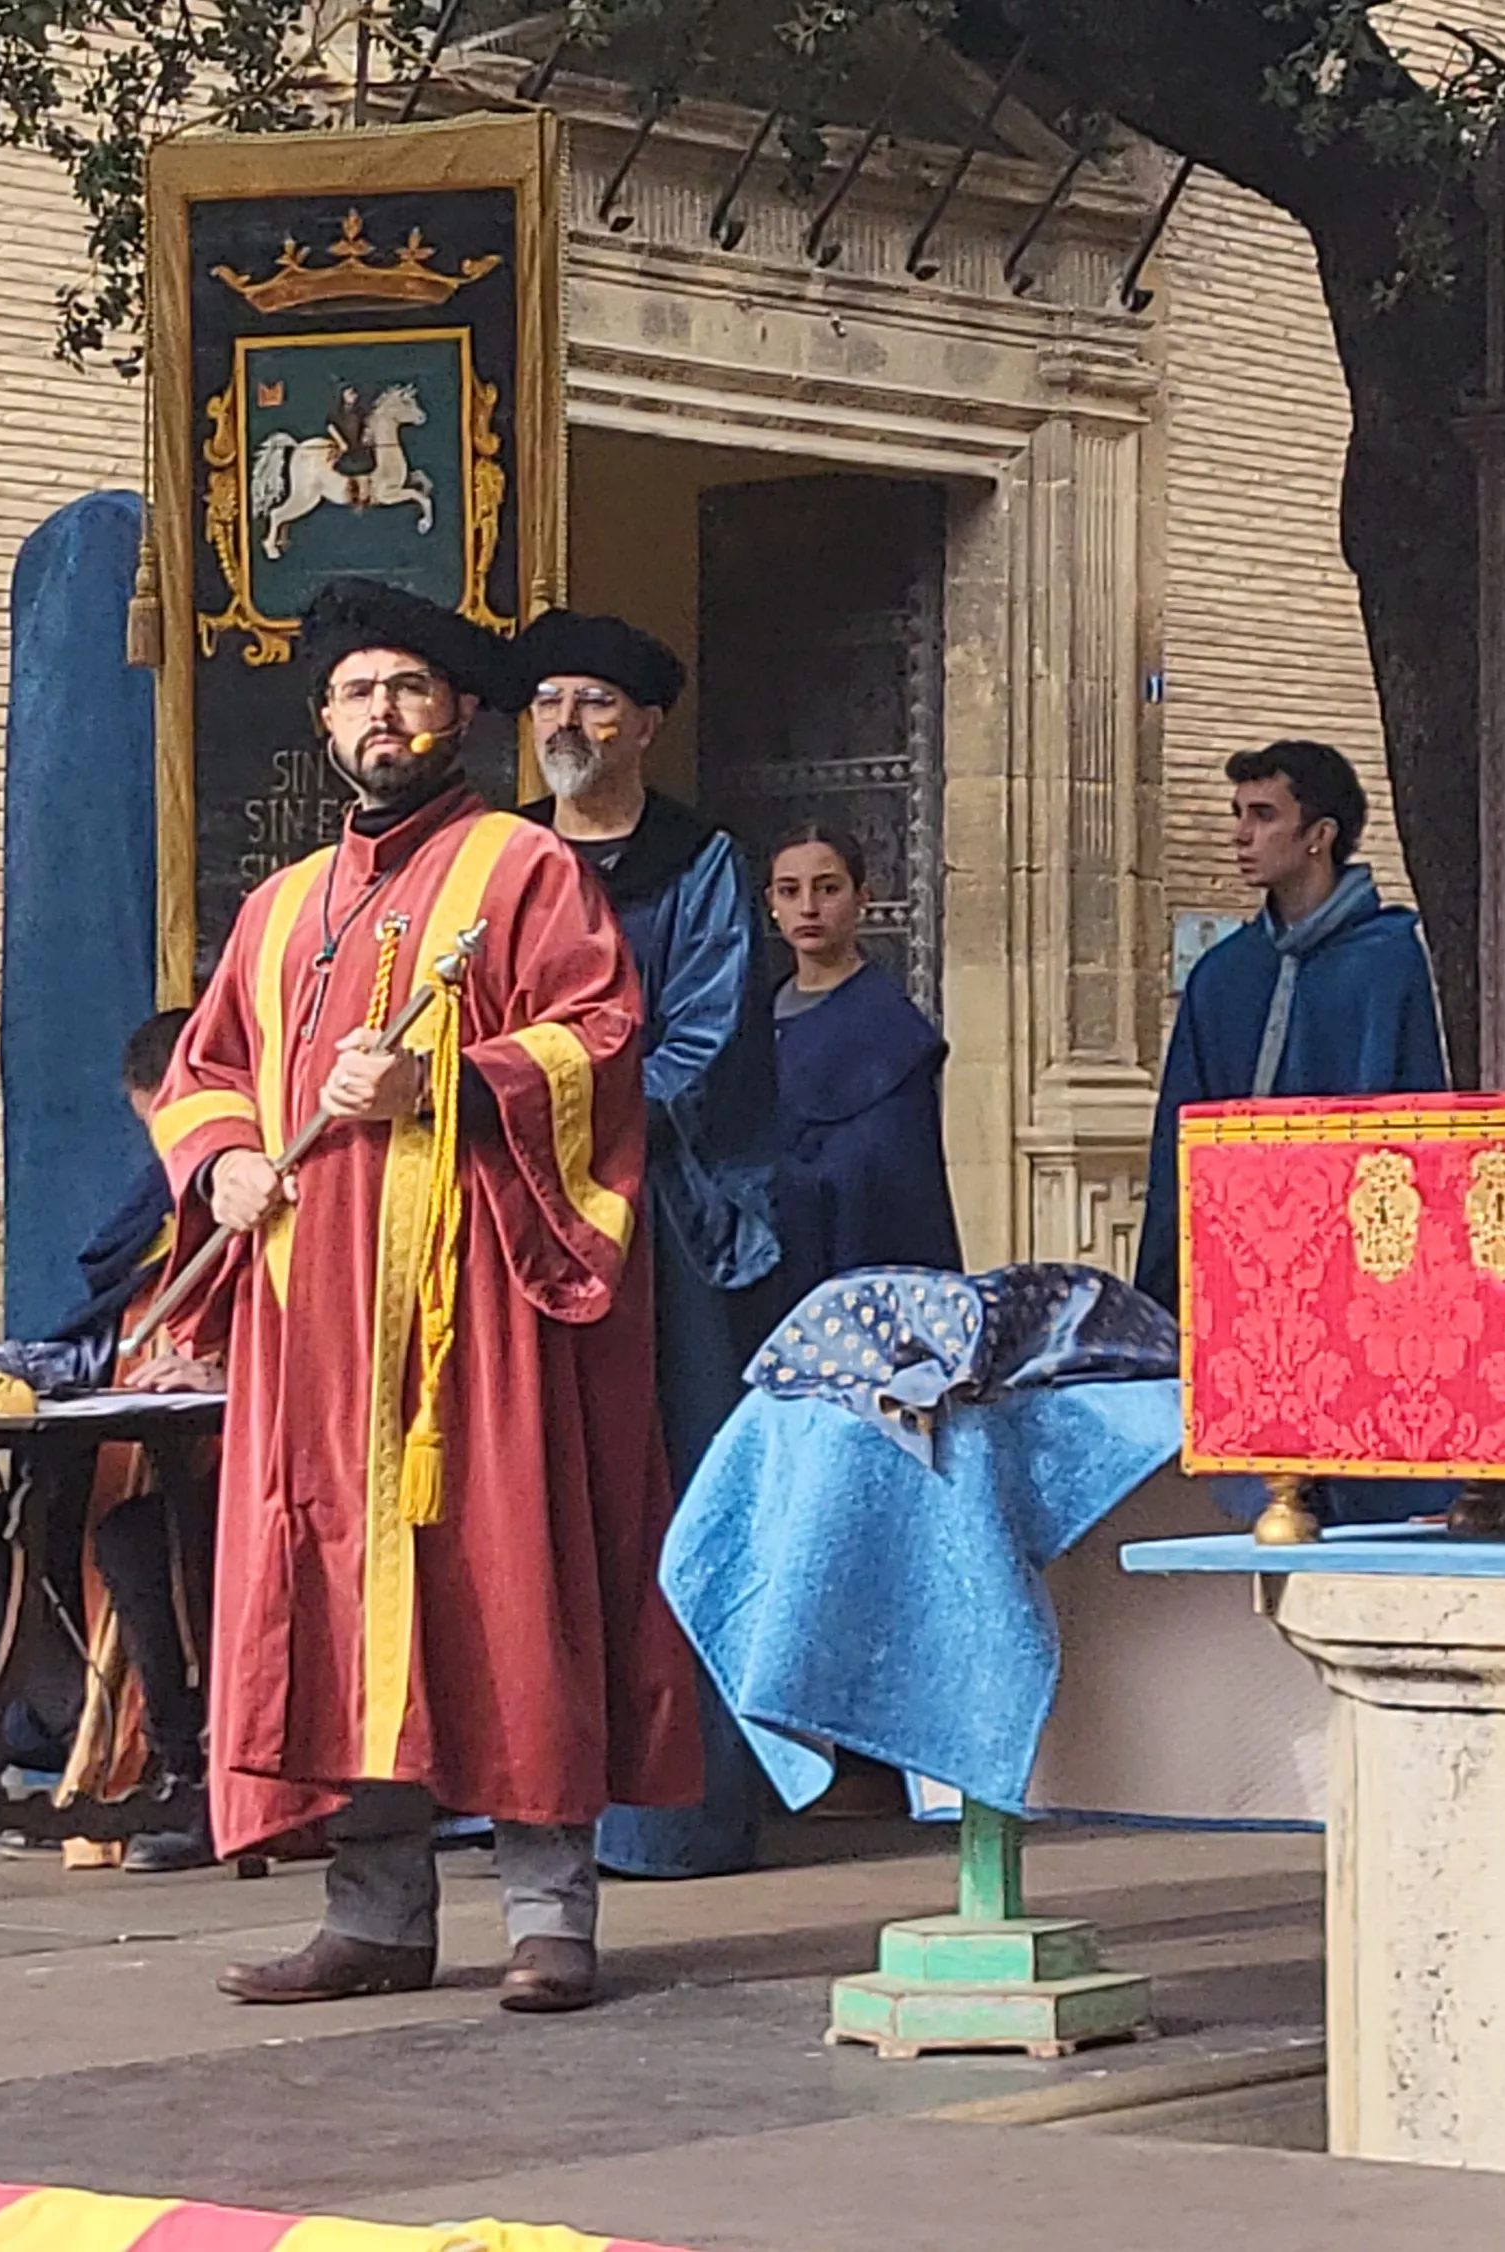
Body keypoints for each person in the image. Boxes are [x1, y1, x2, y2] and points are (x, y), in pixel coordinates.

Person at [154, 577, 700, 2014]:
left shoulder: (522, 873)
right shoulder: (276, 913)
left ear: (458, 710)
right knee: (334, 1599)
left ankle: (549, 1918)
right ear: (325, 720)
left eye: (406, 688)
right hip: (316, 1324)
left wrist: (441, 1082)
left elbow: (601, 1041)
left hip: (477, 1317)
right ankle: (377, 1915)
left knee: (508, 1589)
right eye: (354, 693)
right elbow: (201, 1075)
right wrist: (218, 1170)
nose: (380, 714)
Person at [510, 609, 790, 1885]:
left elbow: (707, 1045)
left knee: (664, 1498)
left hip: (656, 1225)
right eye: (550, 700)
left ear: (647, 723)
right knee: (524, 1499)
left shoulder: (701, 863)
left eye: (597, 703)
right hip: (513, 1219)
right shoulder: (501, 862)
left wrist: (564, 1116)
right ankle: (511, 1792)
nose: (569, 722)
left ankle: (674, 1809)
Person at [0, 1007, 227, 1872]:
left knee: (137, 1539)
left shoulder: (277, 1197)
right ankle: (91, 1742)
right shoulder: (158, 1213)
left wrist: (226, 1376)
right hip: (131, 1460)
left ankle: (189, 1771)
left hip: (257, 1474)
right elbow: (102, 1345)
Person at [1131, 738, 1447, 1313]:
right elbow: (1177, 1145)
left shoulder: (1393, 962)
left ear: (1318, 836)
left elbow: (1422, 1125)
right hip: (1238, 1274)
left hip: (1359, 1273)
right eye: (1239, 815)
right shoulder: (1222, 977)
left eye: (1264, 815)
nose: (1241, 835)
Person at [763, 825, 964, 1285]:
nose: (809, 908)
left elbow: (900, 1190)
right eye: (790, 891)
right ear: (772, 903)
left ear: (861, 898)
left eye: (828, 888)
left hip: (854, 1264)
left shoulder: (892, 1033)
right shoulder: (753, 1016)